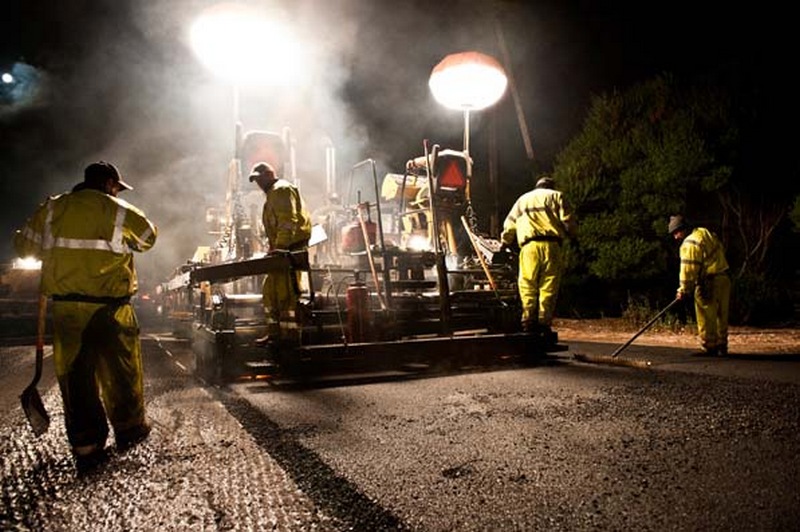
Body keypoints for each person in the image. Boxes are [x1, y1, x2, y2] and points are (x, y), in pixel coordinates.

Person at [13, 161, 158, 470]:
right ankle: (130, 429)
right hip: (112, 309)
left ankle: (86, 443)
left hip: (68, 310)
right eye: (117, 188)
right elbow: (148, 238)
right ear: (108, 184)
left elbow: (23, 244)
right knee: (122, 372)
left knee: (76, 377)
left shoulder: (54, 209)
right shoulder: (117, 210)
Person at [500, 176, 576, 338]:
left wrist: (505, 242)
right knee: (549, 285)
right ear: (551, 186)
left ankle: (528, 319)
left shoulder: (523, 200)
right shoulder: (557, 196)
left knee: (528, 283)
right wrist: (573, 236)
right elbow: (568, 221)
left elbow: (509, 225)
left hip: (529, 247)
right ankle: (543, 322)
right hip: (552, 246)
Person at [248, 162, 311, 346]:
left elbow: (287, 221)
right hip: (281, 252)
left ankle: (290, 338)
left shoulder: (281, 189)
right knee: (269, 291)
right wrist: (274, 248)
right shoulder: (272, 194)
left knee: (286, 296)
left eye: (259, 178)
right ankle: (275, 334)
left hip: (289, 252)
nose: (258, 183)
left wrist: (281, 247)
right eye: (255, 180)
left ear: (269, 174)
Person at [668, 214, 731, 356]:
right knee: (722, 314)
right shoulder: (705, 233)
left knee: (706, 313)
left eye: (676, 233)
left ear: (683, 229)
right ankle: (722, 344)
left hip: (708, 282)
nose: (676, 237)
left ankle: (709, 346)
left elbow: (688, 269)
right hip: (723, 278)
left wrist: (683, 289)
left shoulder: (690, 243)